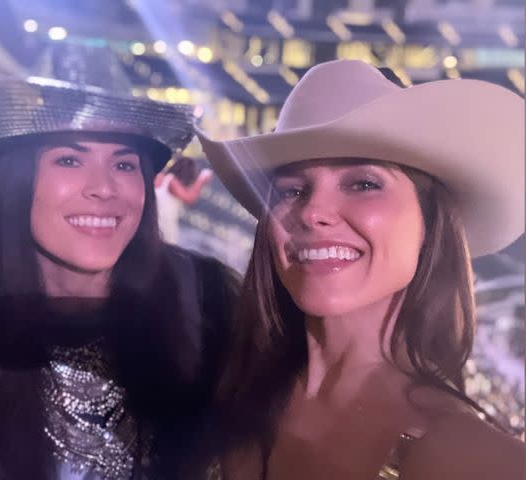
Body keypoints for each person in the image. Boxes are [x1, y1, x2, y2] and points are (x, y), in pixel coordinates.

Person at [196, 60, 525, 479]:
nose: (313, 211)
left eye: (363, 183)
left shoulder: (472, 459)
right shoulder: (213, 390)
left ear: (429, 223)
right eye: (291, 190)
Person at [0, 73, 239, 480]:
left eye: (124, 163)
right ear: (14, 183)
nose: (104, 188)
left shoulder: (212, 300)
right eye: (69, 159)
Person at [155, 155, 213, 243]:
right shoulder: (171, 181)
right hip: (162, 226)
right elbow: (189, 198)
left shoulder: (160, 177)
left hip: (152, 222)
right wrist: (201, 179)